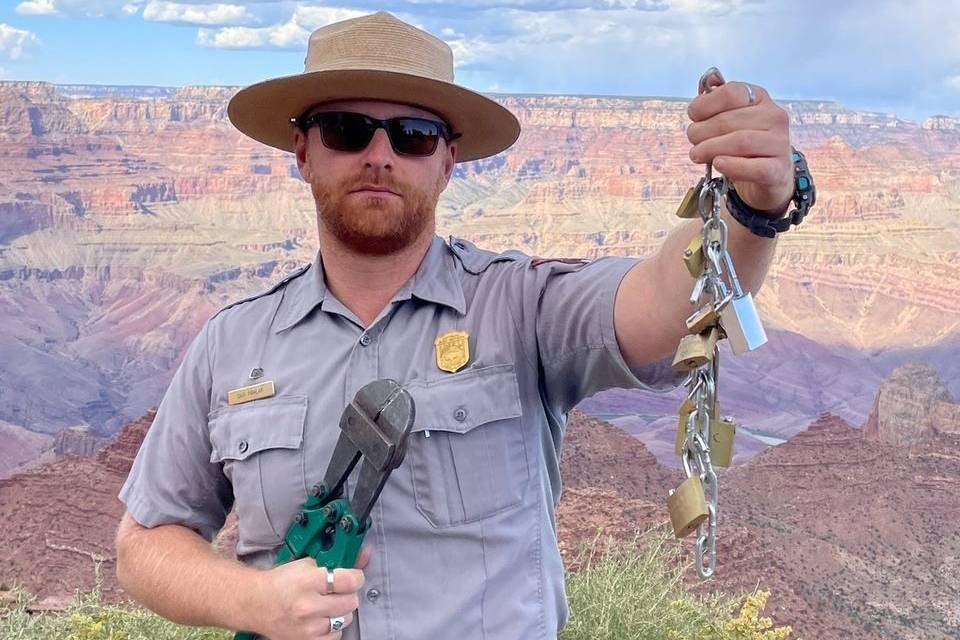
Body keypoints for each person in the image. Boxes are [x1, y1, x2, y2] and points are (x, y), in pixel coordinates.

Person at [114, 10, 809, 640]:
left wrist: (755, 205)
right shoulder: (231, 345)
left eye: (413, 136)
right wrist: (251, 601)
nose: (379, 156)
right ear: (302, 151)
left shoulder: (522, 307)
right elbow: (143, 546)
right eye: (347, 130)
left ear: (448, 161)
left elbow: (666, 300)